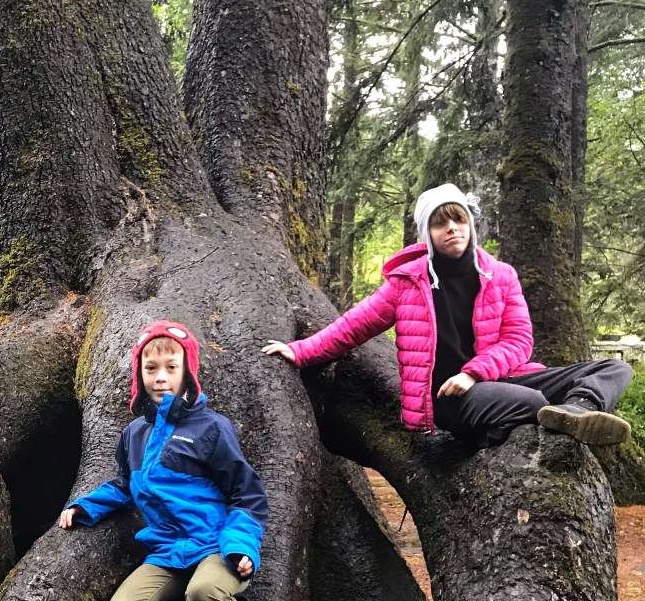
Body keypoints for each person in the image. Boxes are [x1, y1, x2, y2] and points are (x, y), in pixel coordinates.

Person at [262, 183, 633, 448]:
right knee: (531, 404)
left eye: (459, 219)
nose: (452, 228)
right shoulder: (407, 284)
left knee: (614, 369)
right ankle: (496, 433)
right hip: (447, 398)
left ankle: (576, 412)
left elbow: (520, 341)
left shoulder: (500, 275)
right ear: (428, 233)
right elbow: (353, 325)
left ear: (470, 224)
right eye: (441, 223)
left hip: (501, 380)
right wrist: (300, 351)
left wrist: (475, 371)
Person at [59, 320, 268, 601]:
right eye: (151, 369)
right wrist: (84, 507)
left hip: (216, 545)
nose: (161, 378)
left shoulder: (212, 429)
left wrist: (241, 545)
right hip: (168, 549)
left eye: (171, 368)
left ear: (187, 371)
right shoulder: (134, 434)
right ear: (139, 375)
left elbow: (247, 496)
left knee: (206, 594)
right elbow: (125, 484)